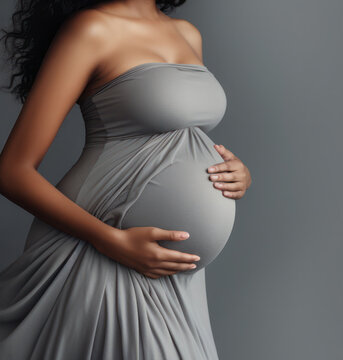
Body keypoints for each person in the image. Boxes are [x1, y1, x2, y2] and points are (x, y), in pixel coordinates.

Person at [0, 0, 252, 358]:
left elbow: (180, 133)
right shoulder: (92, 29)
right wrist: (110, 241)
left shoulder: (187, 34)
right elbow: (12, 171)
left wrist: (237, 173)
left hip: (178, 279)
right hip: (100, 246)